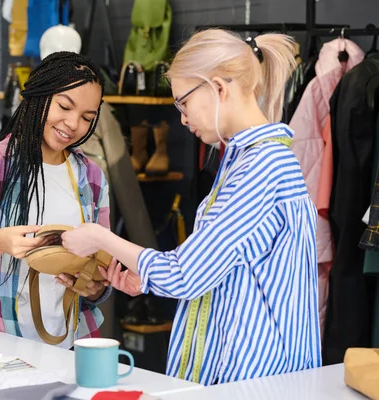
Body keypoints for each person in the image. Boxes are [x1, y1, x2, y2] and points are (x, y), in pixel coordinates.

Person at [61, 29, 322, 384]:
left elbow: (186, 274)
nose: (182, 119)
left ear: (218, 88)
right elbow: (217, 269)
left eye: (183, 103)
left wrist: (99, 238)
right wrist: (150, 278)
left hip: (252, 380)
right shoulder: (248, 162)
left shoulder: (262, 169)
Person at [0, 51, 117, 349]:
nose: (72, 124)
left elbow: (98, 276)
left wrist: (93, 287)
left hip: (72, 347)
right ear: (38, 96)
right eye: (64, 106)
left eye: (86, 118)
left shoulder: (92, 178)